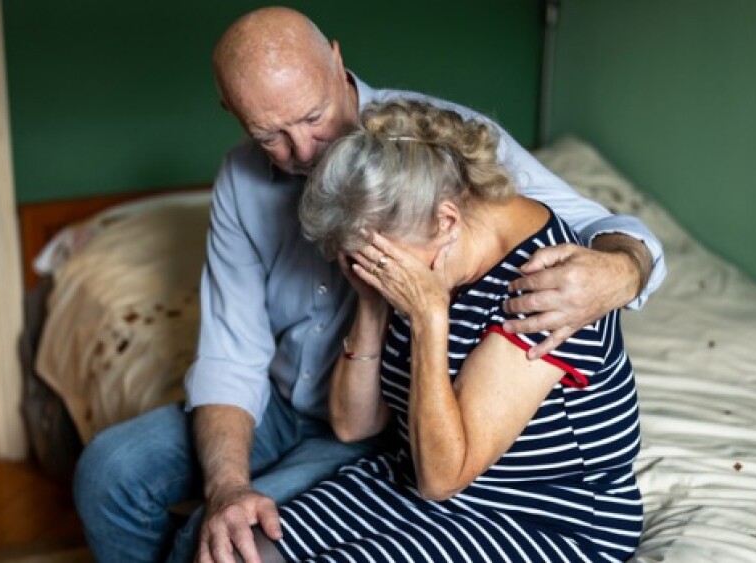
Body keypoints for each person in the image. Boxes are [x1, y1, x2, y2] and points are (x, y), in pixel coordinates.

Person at [72, 7, 664, 563]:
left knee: (219, 545)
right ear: (230, 110)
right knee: (114, 474)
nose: (302, 153)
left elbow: (591, 226)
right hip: (330, 410)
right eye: (269, 135)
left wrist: (621, 269)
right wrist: (228, 485)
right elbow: (232, 354)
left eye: (311, 118)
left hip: (453, 470)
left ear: (336, 61)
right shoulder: (281, 204)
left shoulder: (447, 159)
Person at [241, 98, 644, 563]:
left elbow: (445, 477)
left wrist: (431, 318)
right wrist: (371, 305)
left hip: (543, 518)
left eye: (381, 261)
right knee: (242, 550)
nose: (376, 271)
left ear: (447, 221)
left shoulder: (546, 285)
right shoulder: (417, 246)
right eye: (363, 262)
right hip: (414, 478)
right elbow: (354, 426)